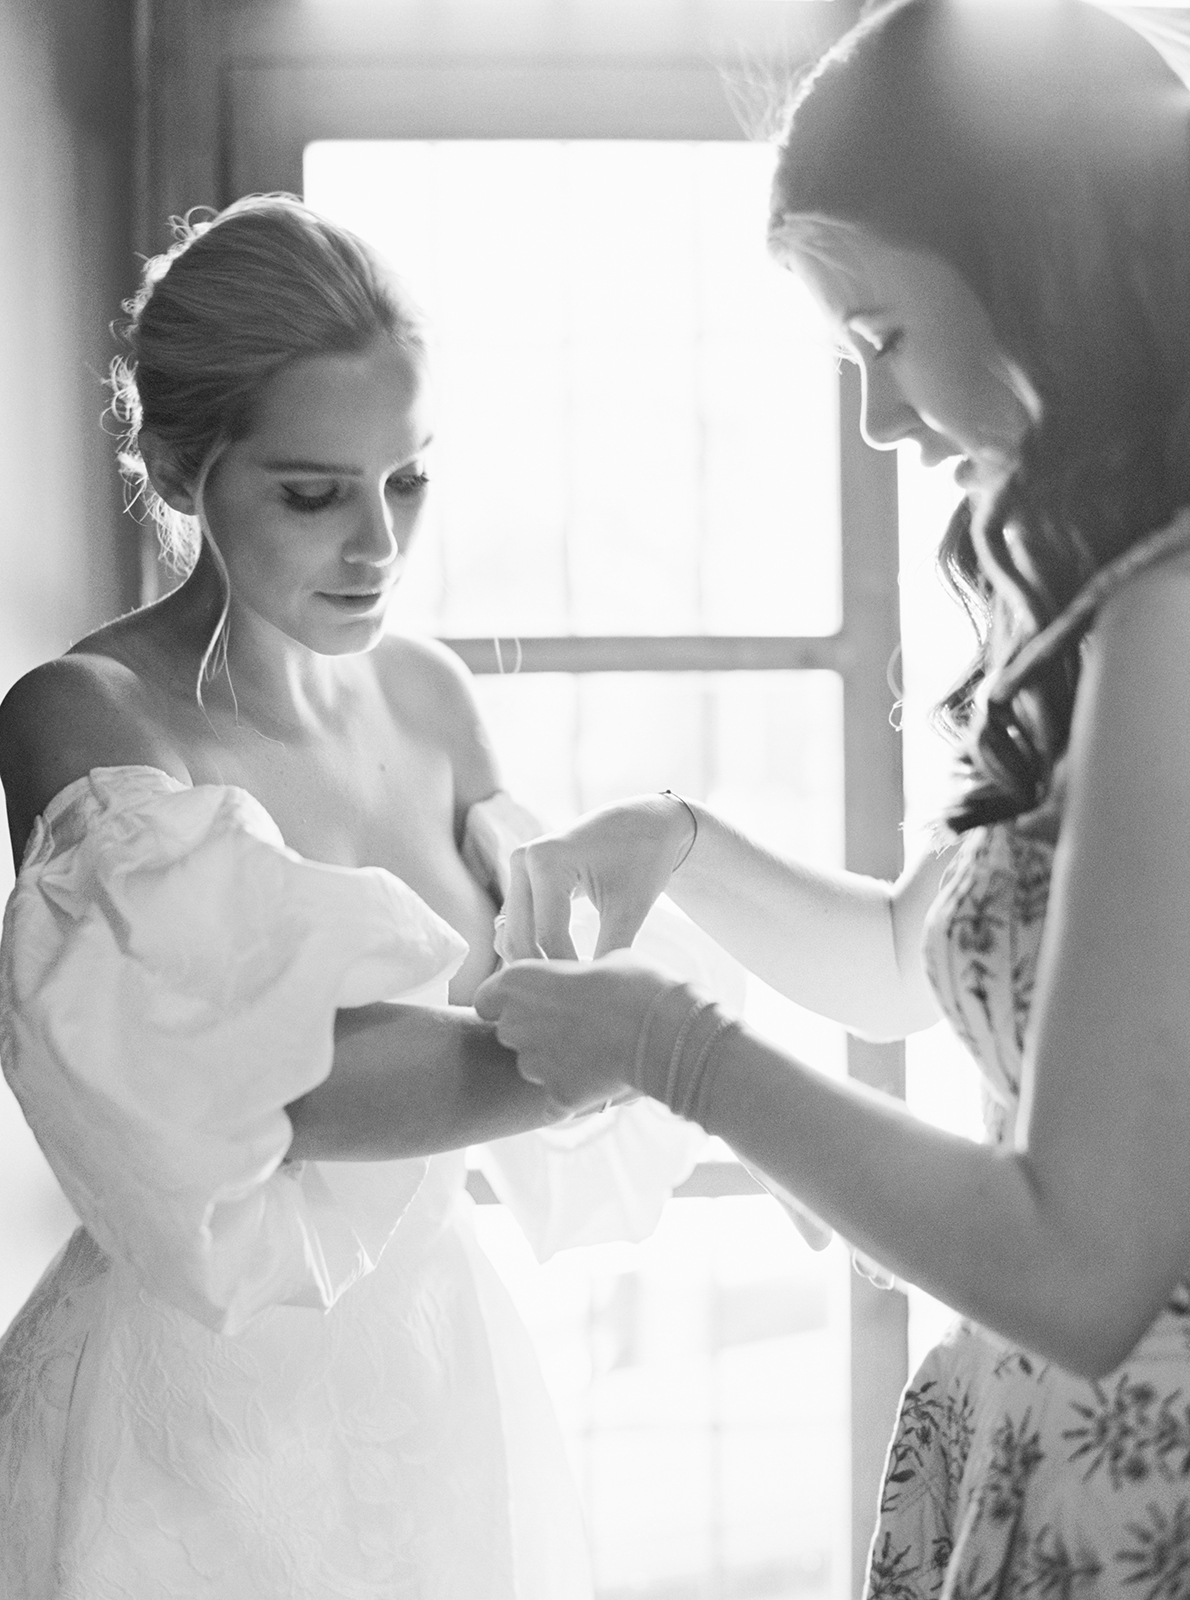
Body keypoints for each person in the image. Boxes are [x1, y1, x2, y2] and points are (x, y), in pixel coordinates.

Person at [474, 2, 1190, 1593]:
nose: (875, 417)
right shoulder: (1113, 596)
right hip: (1042, 1452)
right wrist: (675, 838)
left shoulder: (1176, 621)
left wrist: (672, 1050)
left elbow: (1079, 1265)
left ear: (1045, 263)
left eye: (877, 340)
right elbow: (897, 960)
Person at [0, 195, 706, 1599]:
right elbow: (298, 1088)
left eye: (408, 481)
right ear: (177, 462)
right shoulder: (79, 716)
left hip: (441, 1382)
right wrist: (649, 1047)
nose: (376, 544)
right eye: (314, 493)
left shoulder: (431, 696)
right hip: (182, 1425)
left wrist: (671, 902)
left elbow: (539, 964)